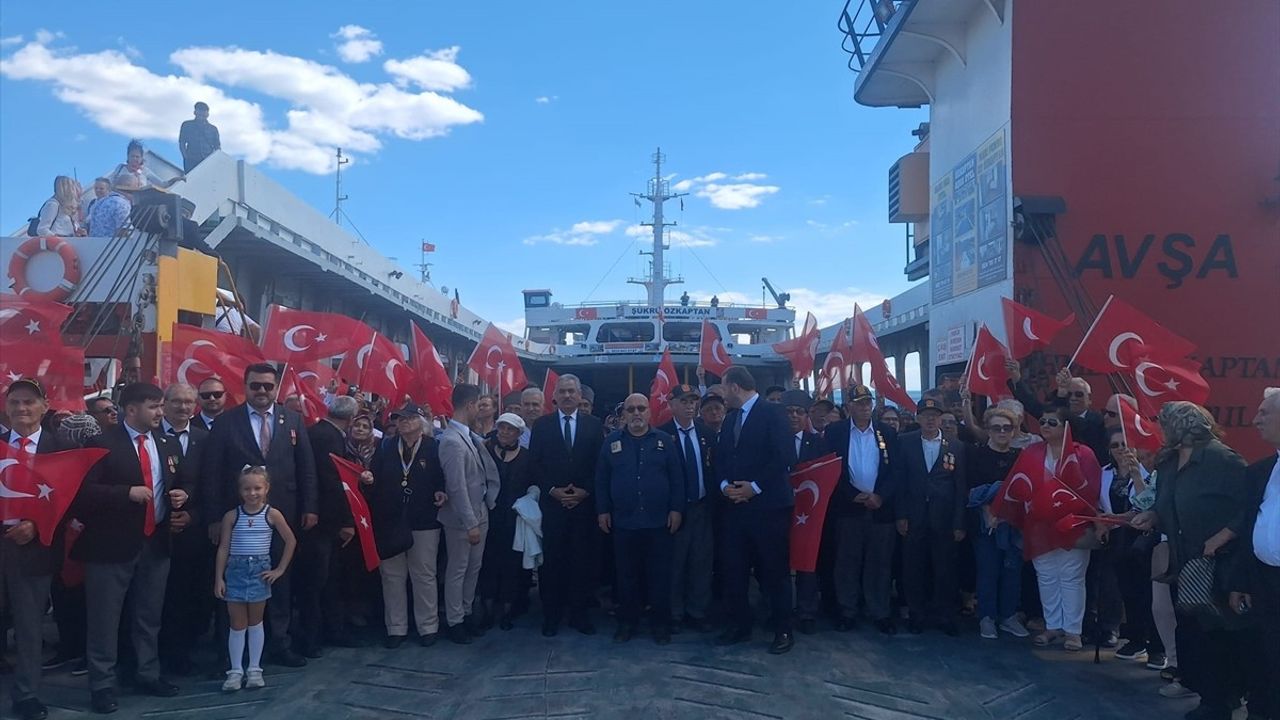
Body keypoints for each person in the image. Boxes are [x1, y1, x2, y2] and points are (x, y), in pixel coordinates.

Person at [1131, 402, 1251, 720]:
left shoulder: (1222, 458)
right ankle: (1206, 694)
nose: (1161, 429)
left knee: (1217, 632)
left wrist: (1223, 536)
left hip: (1218, 562)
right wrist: (1152, 515)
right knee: (1192, 632)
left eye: (1165, 423)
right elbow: (1164, 502)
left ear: (1183, 425)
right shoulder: (1168, 461)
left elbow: (1249, 507)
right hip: (1184, 563)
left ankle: (1223, 701)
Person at [74, 383, 188, 714]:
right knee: (104, 619)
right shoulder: (102, 443)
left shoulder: (166, 443)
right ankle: (102, 684)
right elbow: (84, 493)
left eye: (160, 406)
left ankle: (147, 673)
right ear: (132, 409)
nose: (160, 413)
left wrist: (183, 498)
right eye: (153, 407)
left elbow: (181, 481)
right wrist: (126, 493)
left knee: (148, 616)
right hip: (111, 545)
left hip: (155, 542)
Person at [201, 364, 318, 668]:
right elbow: (211, 472)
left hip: (282, 514)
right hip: (239, 519)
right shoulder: (227, 422)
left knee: (280, 578)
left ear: (275, 387)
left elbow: (306, 467)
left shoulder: (291, 419)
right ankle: (229, 652)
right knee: (234, 582)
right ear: (246, 386)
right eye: (256, 386)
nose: (262, 391)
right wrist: (214, 517)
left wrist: (310, 507)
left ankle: (278, 643)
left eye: (267, 386)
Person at [714, 367, 795, 654]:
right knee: (734, 570)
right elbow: (722, 458)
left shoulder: (773, 413)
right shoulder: (731, 419)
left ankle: (783, 628)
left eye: (723, 388)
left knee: (774, 571)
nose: (721, 395)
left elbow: (785, 455)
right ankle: (740, 625)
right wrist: (725, 486)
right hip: (735, 509)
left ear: (735, 387)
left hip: (768, 508)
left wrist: (755, 487)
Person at [2, 380, 70, 720]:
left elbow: (72, 503)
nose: (21, 409)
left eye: (29, 402)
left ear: (45, 405)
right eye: (15, 402)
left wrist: (37, 525)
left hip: (35, 548)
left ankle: (26, 694)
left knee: (29, 627)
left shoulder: (61, 449)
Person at [596, 394, 685, 643]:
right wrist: (603, 510)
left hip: (658, 523)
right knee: (626, 576)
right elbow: (601, 479)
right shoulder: (611, 442)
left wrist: (676, 509)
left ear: (649, 412)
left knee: (659, 576)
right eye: (631, 409)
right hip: (624, 523)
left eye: (641, 408)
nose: (636, 413)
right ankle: (627, 623)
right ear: (623, 414)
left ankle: (660, 625)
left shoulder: (665, 441)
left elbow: (677, 478)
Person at [1015, 405, 1102, 652]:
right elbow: (1020, 484)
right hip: (1040, 525)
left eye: (1052, 422)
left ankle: (1073, 631)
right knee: (1046, 575)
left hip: (1071, 522)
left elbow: (1091, 490)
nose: (1045, 426)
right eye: (1042, 421)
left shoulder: (1083, 453)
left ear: (1066, 427)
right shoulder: (1032, 452)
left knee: (1072, 577)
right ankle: (1053, 626)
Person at [361, 402, 447, 648]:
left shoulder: (434, 447)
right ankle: (395, 628)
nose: (403, 422)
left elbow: (442, 477)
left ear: (421, 421)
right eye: (399, 419)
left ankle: (428, 627)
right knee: (392, 575)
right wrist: (368, 478)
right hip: (390, 520)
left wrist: (441, 491)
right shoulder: (386, 447)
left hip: (424, 520)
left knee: (424, 575)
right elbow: (373, 477)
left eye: (409, 418)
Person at [529, 373, 605, 637]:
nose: (568, 395)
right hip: (553, 506)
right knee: (552, 564)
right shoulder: (541, 425)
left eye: (572, 391)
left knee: (582, 563)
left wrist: (585, 491)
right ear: (555, 396)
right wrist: (553, 490)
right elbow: (535, 463)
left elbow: (599, 465)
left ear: (580, 395)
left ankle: (579, 615)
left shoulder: (594, 426)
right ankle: (551, 615)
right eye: (563, 391)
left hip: (584, 507)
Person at [825, 384, 901, 635]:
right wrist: (852, 494)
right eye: (858, 403)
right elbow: (831, 468)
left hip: (881, 509)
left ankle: (879, 611)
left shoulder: (887, 433)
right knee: (847, 561)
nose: (864, 407)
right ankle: (847, 610)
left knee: (879, 563)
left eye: (867, 402)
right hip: (849, 509)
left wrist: (881, 495)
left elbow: (895, 472)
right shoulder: (834, 432)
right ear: (848, 407)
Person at [214, 467, 297, 692]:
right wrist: (219, 578)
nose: (252, 493)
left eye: (257, 488)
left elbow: (290, 540)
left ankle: (254, 668)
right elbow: (223, 548)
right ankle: (235, 670)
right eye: (247, 489)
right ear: (240, 491)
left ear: (266, 488)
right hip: (236, 571)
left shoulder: (272, 514)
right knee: (237, 624)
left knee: (255, 622)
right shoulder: (232, 516)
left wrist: (279, 570)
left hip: (259, 571)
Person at [895, 397, 967, 635]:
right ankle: (917, 613)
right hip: (914, 517)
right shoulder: (904, 442)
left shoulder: (955, 446)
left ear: (940, 418)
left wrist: (959, 522)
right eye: (925, 415)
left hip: (944, 519)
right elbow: (900, 481)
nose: (930, 419)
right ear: (917, 418)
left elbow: (960, 487)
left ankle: (944, 614)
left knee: (944, 569)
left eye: (934, 415)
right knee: (913, 568)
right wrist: (901, 515)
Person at [1230, 387, 1280, 720]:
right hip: (1266, 581)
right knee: (1267, 656)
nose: (1255, 420)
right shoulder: (1260, 472)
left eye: (1264, 413)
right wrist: (1240, 581)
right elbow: (1249, 528)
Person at [438, 385, 501, 643]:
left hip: (479, 511)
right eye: (478, 405)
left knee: (473, 568)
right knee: (458, 569)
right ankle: (454, 620)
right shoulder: (452, 440)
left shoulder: (468, 436)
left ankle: (465, 612)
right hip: (463, 518)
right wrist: (470, 522)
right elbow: (456, 486)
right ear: (470, 405)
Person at [157, 383, 212, 676]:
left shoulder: (205, 439)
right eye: (177, 401)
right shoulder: (151, 436)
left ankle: (180, 654)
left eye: (189, 402)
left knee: (186, 596)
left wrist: (193, 515)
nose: (183, 407)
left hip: (191, 535)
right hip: (153, 534)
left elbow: (211, 486)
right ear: (163, 404)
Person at [298, 396, 358, 655]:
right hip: (324, 522)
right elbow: (333, 482)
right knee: (317, 581)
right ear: (351, 419)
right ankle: (311, 638)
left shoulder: (318, 432)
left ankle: (330, 630)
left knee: (328, 579)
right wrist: (345, 521)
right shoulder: (329, 437)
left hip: (321, 520)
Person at [966, 407, 1028, 640]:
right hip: (986, 523)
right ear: (988, 429)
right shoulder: (976, 455)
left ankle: (1009, 616)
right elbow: (971, 489)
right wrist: (988, 512)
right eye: (997, 427)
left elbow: (1025, 489)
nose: (1002, 432)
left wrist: (1007, 515)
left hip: (1013, 522)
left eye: (1007, 427)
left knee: (1012, 570)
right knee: (988, 570)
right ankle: (987, 617)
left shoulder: (1020, 456)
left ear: (1014, 430)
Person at [661, 384, 717, 632]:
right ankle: (674, 613)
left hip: (703, 507)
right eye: (683, 401)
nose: (689, 405)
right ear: (671, 404)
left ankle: (697, 612)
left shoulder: (707, 432)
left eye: (693, 400)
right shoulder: (661, 435)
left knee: (701, 562)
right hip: (675, 509)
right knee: (674, 563)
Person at [479, 413, 533, 630]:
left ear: (519, 433)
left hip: (515, 519)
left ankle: (508, 612)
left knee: (512, 565)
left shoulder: (527, 457)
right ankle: (487, 611)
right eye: (501, 428)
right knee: (489, 564)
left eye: (510, 429)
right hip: (490, 516)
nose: (504, 433)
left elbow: (534, 483)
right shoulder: (485, 452)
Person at [783, 389, 829, 633]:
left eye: (798, 412)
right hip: (778, 512)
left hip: (808, 514)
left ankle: (806, 611)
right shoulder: (771, 441)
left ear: (806, 415)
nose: (793, 416)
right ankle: (778, 609)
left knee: (807, 563)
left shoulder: (819, 444)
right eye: (788, 412)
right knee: (777, 563)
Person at [110, 139, 182, 190]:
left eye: (137, 157)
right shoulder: (120, 168)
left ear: (141, 158)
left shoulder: (145, 171)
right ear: (128, 156)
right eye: (132, 156)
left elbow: (163, 185)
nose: (135, 159)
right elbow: (109, 183)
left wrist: (174, 180)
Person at [87, 172, 142, 238]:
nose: (98, 190)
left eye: (101, 188)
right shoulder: (120, 203)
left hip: (97, 244)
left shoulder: (97, 204)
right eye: (96, 188)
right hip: (110, 245)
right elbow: (124, 230)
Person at [179, 102, 221, 172]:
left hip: (208, 161)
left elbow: (217, 147)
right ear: (195, 112)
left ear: (207, 114)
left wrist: (215, 160)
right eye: (200, 111)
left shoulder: (213, 129)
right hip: (191, 160)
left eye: (204, 111)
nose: (201, 114)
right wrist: (186, 157)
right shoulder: (187, 125)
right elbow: (182, 142)